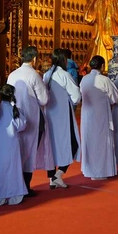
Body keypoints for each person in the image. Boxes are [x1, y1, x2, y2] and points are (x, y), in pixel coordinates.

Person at [7, 46, 53, 195]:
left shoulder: (12, 75)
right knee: (29, 151)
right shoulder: (34, 75)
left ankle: (16, 184)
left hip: (14, 117)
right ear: (34, 59)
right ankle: (25, 186)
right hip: (32, 118)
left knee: (18, 150)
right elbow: (44, 99)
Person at [43, 49, 81, 189]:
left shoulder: (47, 75)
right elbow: (76, 96)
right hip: (63, 115)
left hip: (49, 114)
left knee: (51, 145)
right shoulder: (64, 75)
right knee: (71, 144)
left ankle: (52, 177)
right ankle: (58, 174)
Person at [80, 56, 118, 180]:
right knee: (102, 142)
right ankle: (101, 171)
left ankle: (90, 170)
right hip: (101, 115)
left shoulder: (84, 79)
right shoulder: (104, 80)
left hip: (87, 115)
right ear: (102, 66)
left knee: (90, 141)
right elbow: (115, 98)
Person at [0, 84, 27, 206]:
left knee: (0, 168)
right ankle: (15, 193)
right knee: (13, 167)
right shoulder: (14, 110)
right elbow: (21, 125)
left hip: (0, 145)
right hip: (13, 143)